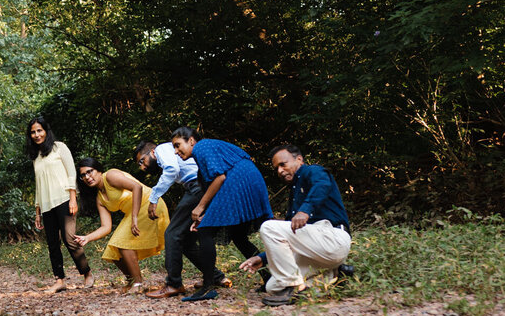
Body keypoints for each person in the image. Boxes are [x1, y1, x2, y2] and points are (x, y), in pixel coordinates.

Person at [239, 144, 351, 306]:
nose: (279, 170)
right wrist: (262, 258)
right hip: (315, 252)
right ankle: (336, 276)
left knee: (268, 227)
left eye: (283, 164)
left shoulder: (312, 171)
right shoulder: (294, 194)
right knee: (273, 287)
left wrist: (305, 210)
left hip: (333, 238)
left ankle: (292, 286)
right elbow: (289, 236)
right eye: (276, 167)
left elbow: (322, 184)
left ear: (299, 159)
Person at [170, 127, 273, 301]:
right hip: (249, 179)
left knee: (205, 231)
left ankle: (208, 286)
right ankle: (269, 279)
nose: (176, 151)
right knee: (238, 235)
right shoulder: (203, 153)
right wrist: (204, 215)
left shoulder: (202, 147)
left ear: (191, 141)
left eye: (178, 145)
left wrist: (200, 208)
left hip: (240, 180)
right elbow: (215, 186)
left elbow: (220, 178)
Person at [72, 158, 170, 293]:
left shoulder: (110, 176)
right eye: (83, 175)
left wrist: (134, 217)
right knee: (113, 251)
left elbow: (137, 187)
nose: (87, 177)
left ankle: (138, 283)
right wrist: (88, 238)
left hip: (149, 204)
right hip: (132, 213)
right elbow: (106, 227)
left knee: (123, 244)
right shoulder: (99, 198)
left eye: (90, 172)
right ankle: (132, 281)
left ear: (99, 170)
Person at [134, 137, 215, 299]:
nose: (142, 167)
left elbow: (171, 169)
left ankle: (173, 284)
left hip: (197, 186)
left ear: (152, 152)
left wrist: (154, 198)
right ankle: (215, 277)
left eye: (142, 161)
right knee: (186, 241)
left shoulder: (162, 150)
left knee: (172, 233)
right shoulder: (169, 152)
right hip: (201, 186)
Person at [26, 116, 93, 293]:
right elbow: (38, 185)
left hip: (64, 199)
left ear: (46, 131)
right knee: (52, 243)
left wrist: (73, 198)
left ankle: (86, 273)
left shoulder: (59, 147)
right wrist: (38, 211)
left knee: (69, 239)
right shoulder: (36, 157)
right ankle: (59, 280)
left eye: (39, 130)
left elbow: (71, 172)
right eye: (33, 132)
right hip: (46, 205)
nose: (36, 134)